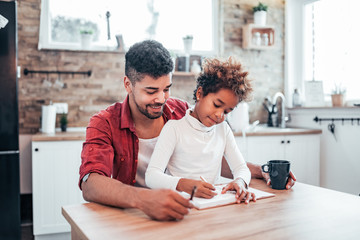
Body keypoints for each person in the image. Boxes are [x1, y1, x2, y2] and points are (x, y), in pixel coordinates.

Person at [79, 40, 296, 222]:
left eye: (166, 88)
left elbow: (209, 156)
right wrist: (144, 199)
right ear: (128, 84)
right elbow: (91, 184)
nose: (161, 99)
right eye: (151, 91)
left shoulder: (180, 111)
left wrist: (263, 171)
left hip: (184, 213)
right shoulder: (104, 122)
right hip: (133, 216)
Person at [145, 57, 256, 204]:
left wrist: (241, 181)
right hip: (180, 205)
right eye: (216, 105)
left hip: (211, 206)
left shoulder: (223, 129)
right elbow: (152, 176)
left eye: (227, 112)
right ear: (200, 94)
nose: (219, 115)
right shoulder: (174, 129)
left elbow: (241, 168)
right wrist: (183, 184)